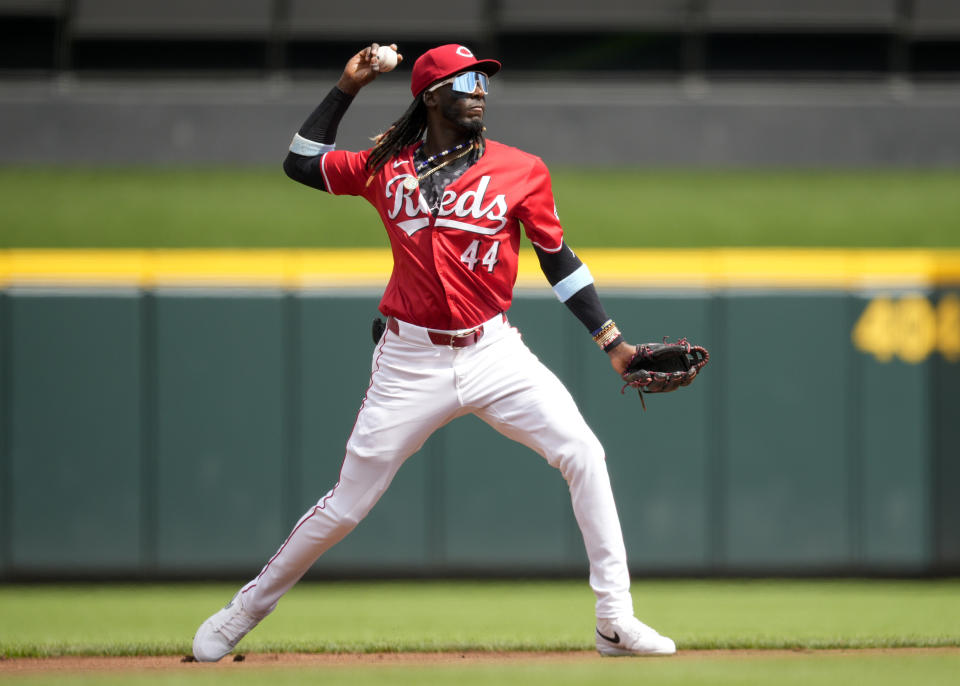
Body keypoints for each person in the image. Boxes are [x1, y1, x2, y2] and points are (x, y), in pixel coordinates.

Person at [192, 42, 676, 661]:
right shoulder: (382, 166)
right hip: (409, 361)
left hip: (494, 352)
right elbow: (300, 161)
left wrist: (612, 343)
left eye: (483, 80)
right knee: (346, 506)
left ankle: (616, 621)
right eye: (466, 79)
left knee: (584, 452)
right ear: (430, 94)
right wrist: (348, 84)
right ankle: (242, 612)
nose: (479, 89)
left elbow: (558, 259)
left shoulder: (521, 169)